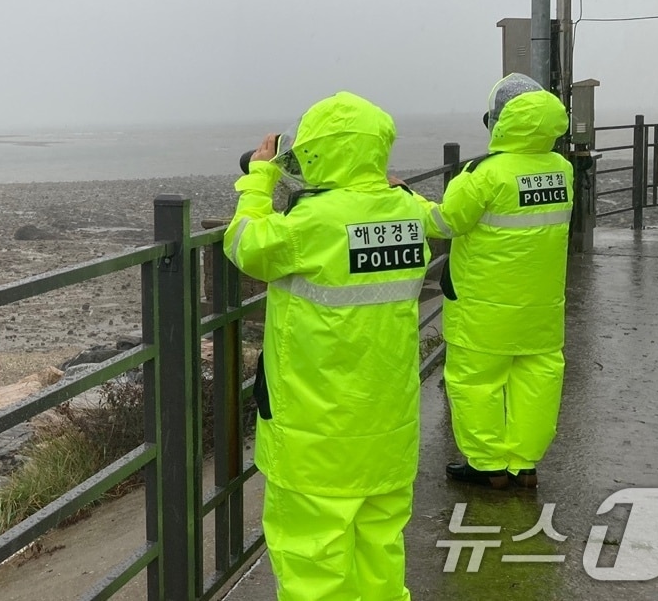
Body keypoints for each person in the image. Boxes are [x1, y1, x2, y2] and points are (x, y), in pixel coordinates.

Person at [224, 92, 428, 601]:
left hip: (315, 432)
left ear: (315, 154)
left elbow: (246, 244)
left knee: (313, 561)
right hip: (387, 427)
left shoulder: (312, 223)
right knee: (380, 553)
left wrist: (259, 177)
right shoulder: (408, 212)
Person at [419, 73, 573, 490]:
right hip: (541, 308)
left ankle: (487, 464)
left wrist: (403, 198)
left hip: (484, 306)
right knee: (537, 380)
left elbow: (445, 221)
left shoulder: (484, 173)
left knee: (476, 382)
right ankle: (524, 464)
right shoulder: (562, 169)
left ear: (497, 120)